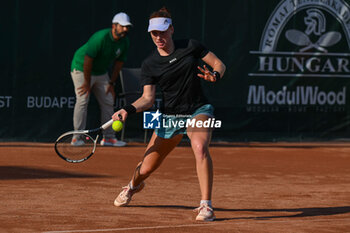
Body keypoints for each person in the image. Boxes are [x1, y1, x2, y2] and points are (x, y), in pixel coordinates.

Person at [112, 7, 226, 221]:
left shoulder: (191, 46)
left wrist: (215, 75)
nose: (158, 37)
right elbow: (147, 99)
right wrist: (127, 109)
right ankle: (132, 186)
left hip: (198, 110)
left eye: (162, 31)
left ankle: (206, 205)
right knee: (145, 168)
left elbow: (219, 64)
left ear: (171, 29)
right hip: (169, 117)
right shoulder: (150, 64)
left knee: (200, 147)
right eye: (154, 33)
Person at [70, 12, 132, 147]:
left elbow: (119, 64)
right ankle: (77, 137)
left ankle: (109, 138)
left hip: (101, 72)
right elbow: (87, 61)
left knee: (108, 100)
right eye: (122, 26)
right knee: (82, 99)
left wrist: (111, 83)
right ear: (114, 26)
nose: (126, 29)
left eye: (127, 27)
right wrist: (87, 83)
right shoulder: (100, 38)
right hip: (81, 68)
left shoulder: (124, 42)